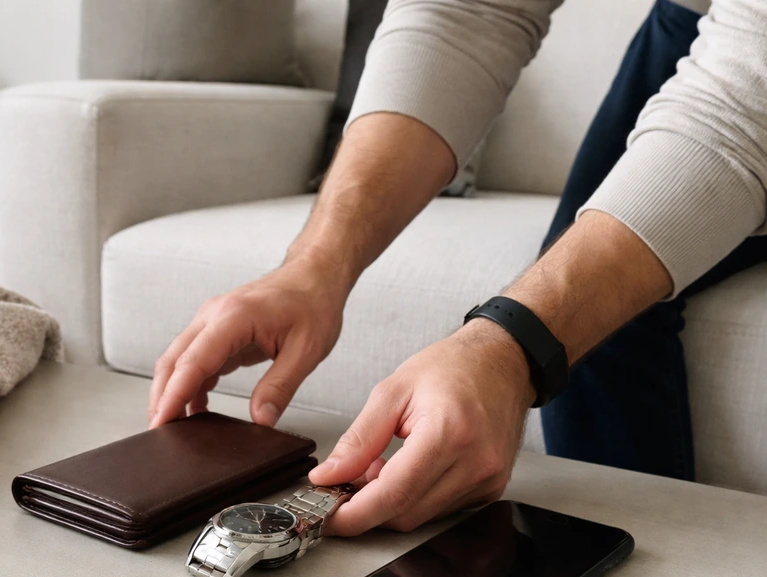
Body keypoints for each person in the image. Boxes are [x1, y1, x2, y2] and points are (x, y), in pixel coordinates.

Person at [148, 0, 767, 536]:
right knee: (591, 315)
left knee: (591, 316)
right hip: (693, 22)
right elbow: (462, 13)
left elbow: (739, 113)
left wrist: (512, 348)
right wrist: (313, 267)